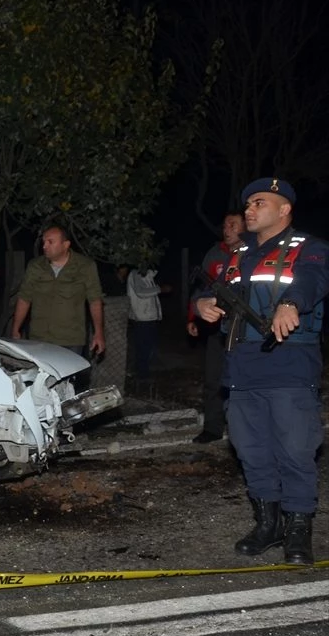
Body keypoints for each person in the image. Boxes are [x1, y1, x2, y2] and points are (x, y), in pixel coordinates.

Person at [195, 177, 329, 566]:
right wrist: (203, 303)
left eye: (259, 203)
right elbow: (214, 290)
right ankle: (267, 525)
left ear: (284, 208)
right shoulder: (237, 255)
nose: (249, 210)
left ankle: (298, 531)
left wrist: (291, 303)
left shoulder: (311, 249)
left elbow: (311, 281)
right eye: (247, 204)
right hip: (241, 370)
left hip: (289, 367)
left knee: (296, 451)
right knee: (252, 451)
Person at [187, 212, 246, 443]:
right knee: (213, 378)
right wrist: (192, 317)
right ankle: (212, 428)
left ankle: (241, 430)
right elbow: (202, 290)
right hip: (217, 327)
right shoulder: (215, 254)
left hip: (246, 330)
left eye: (233, 224)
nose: (227, 229)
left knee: (243, 381)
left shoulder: (256, 252)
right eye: (225, 225)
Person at [11, 225, 105, 359]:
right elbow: (24, 298)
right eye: (44, 242)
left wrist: (99, 333)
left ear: (65, 245)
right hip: (39, 339)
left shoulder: (85, 266)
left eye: (50, 242)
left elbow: (95, 301)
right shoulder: (35, 266)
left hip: (70, 340)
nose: (44, 246)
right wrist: (16, 329)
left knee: (67, 379)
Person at [126, 265, 163, 384]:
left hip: (148, 317)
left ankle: (141, 373)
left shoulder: (147, 275)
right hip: (142, 318)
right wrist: (159, 289)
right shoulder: (136, 274)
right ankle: (142, 376)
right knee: (143, 348)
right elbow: (140, 292)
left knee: (145, 347)